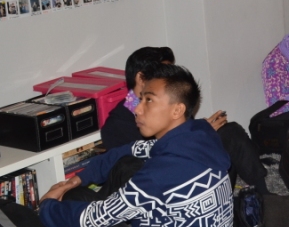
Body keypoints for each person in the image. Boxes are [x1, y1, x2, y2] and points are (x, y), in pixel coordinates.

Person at [39, 64, 234, 227]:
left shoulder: (158, 176)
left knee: (76, 202)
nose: (137, 109)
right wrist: (77, 178)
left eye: (149, 100)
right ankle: (113, 218)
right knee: (126, 165)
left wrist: (46, 206)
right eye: (140, 99)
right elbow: (130, 150)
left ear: (177, 109)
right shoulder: (201, 136)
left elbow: (91, 219)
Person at [103, 45, 269, 193]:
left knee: (230, 132)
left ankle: (265, 196)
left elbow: (185, 130)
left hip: (191, 162)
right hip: (167, 186)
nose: (170, 79)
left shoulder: (171, 100)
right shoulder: (117, 125)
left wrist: (201, 131)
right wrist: (200, 134)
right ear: (141, 78)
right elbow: (144, 169)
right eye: (164, 73)